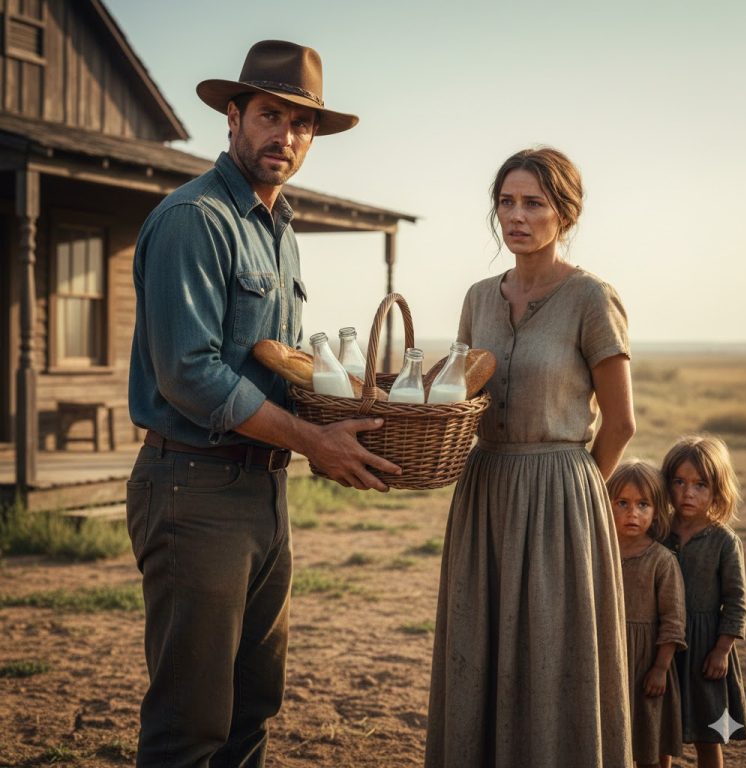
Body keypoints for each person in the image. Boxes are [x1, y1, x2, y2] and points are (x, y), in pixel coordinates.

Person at [126, 40, 400, 767]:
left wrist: (339, 419)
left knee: (252, 708)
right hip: (193, 489)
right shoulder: (195, 220)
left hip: (264, 490)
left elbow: (275, 366)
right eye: (270, 116)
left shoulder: (279, 233)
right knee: (191, 724)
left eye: (302, 124)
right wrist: (317, 443)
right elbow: (190, 374)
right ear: (233, 117)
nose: (286, 136)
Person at [424, 147, 636, 768]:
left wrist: (576, 498)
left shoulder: (592, 298)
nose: (516, 216)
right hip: (484, 485)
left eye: (534, 203)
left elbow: (621, 423)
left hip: (562, 494)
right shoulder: (478, 298)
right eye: (506, 202)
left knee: (552, 650)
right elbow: (456, 393)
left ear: (563, 213)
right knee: (477, 642)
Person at [661, 435, 746, 767]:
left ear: (718, 490)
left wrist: (722, 650)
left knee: (708, 732)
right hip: (663, 645)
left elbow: (737, 601)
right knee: (660, 728)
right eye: (680, 482)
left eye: (700, 484)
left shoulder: (724, 541)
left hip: (705, 648)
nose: (688, 492)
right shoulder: (658, 531)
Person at [607, 459, 686, 768]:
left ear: (656, 511)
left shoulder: (661, 560)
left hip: (646, 664)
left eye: (643, 504)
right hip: (608, 660)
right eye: (622, 503)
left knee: (650, 739)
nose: (632, 513)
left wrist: (661, 668)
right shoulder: (599, 550)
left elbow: (673, 620)